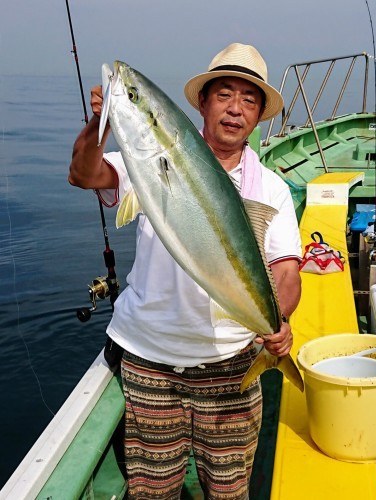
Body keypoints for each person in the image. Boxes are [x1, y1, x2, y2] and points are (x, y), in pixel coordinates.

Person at [69, 43, 302, 500]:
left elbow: (287, 272)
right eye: (225, 95)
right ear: (202, 102)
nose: (235, 109)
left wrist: (278, 323)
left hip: (233, 369)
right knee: (152, 494)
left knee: (231, 493)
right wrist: (102, 123)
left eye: (249, 100)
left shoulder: (271, 190)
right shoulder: (152, 156)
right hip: (150, 360)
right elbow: (83, 174)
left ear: (258, 117)